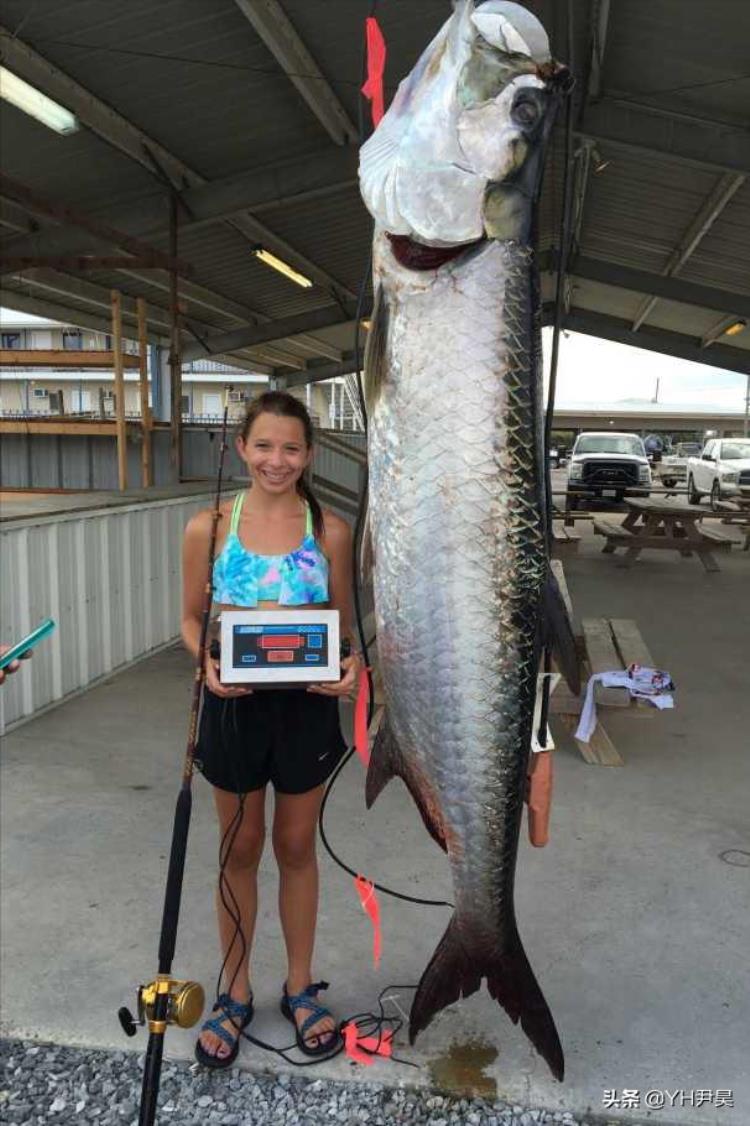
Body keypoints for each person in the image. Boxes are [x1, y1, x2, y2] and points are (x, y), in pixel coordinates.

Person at [181, 391, 361, 1069]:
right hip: (231, 706)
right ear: (240, 448)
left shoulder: (331, 531)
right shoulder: (209, 526)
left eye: (290, 448)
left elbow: (346, 629)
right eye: (264, 446)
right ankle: (234, 989)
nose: (276, 460)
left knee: (294, 846)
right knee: (239, 847)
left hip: (306, 709)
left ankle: (297, 985)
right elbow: (191, 621)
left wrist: (350, 670)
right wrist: (204, 662)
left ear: (308, 454)